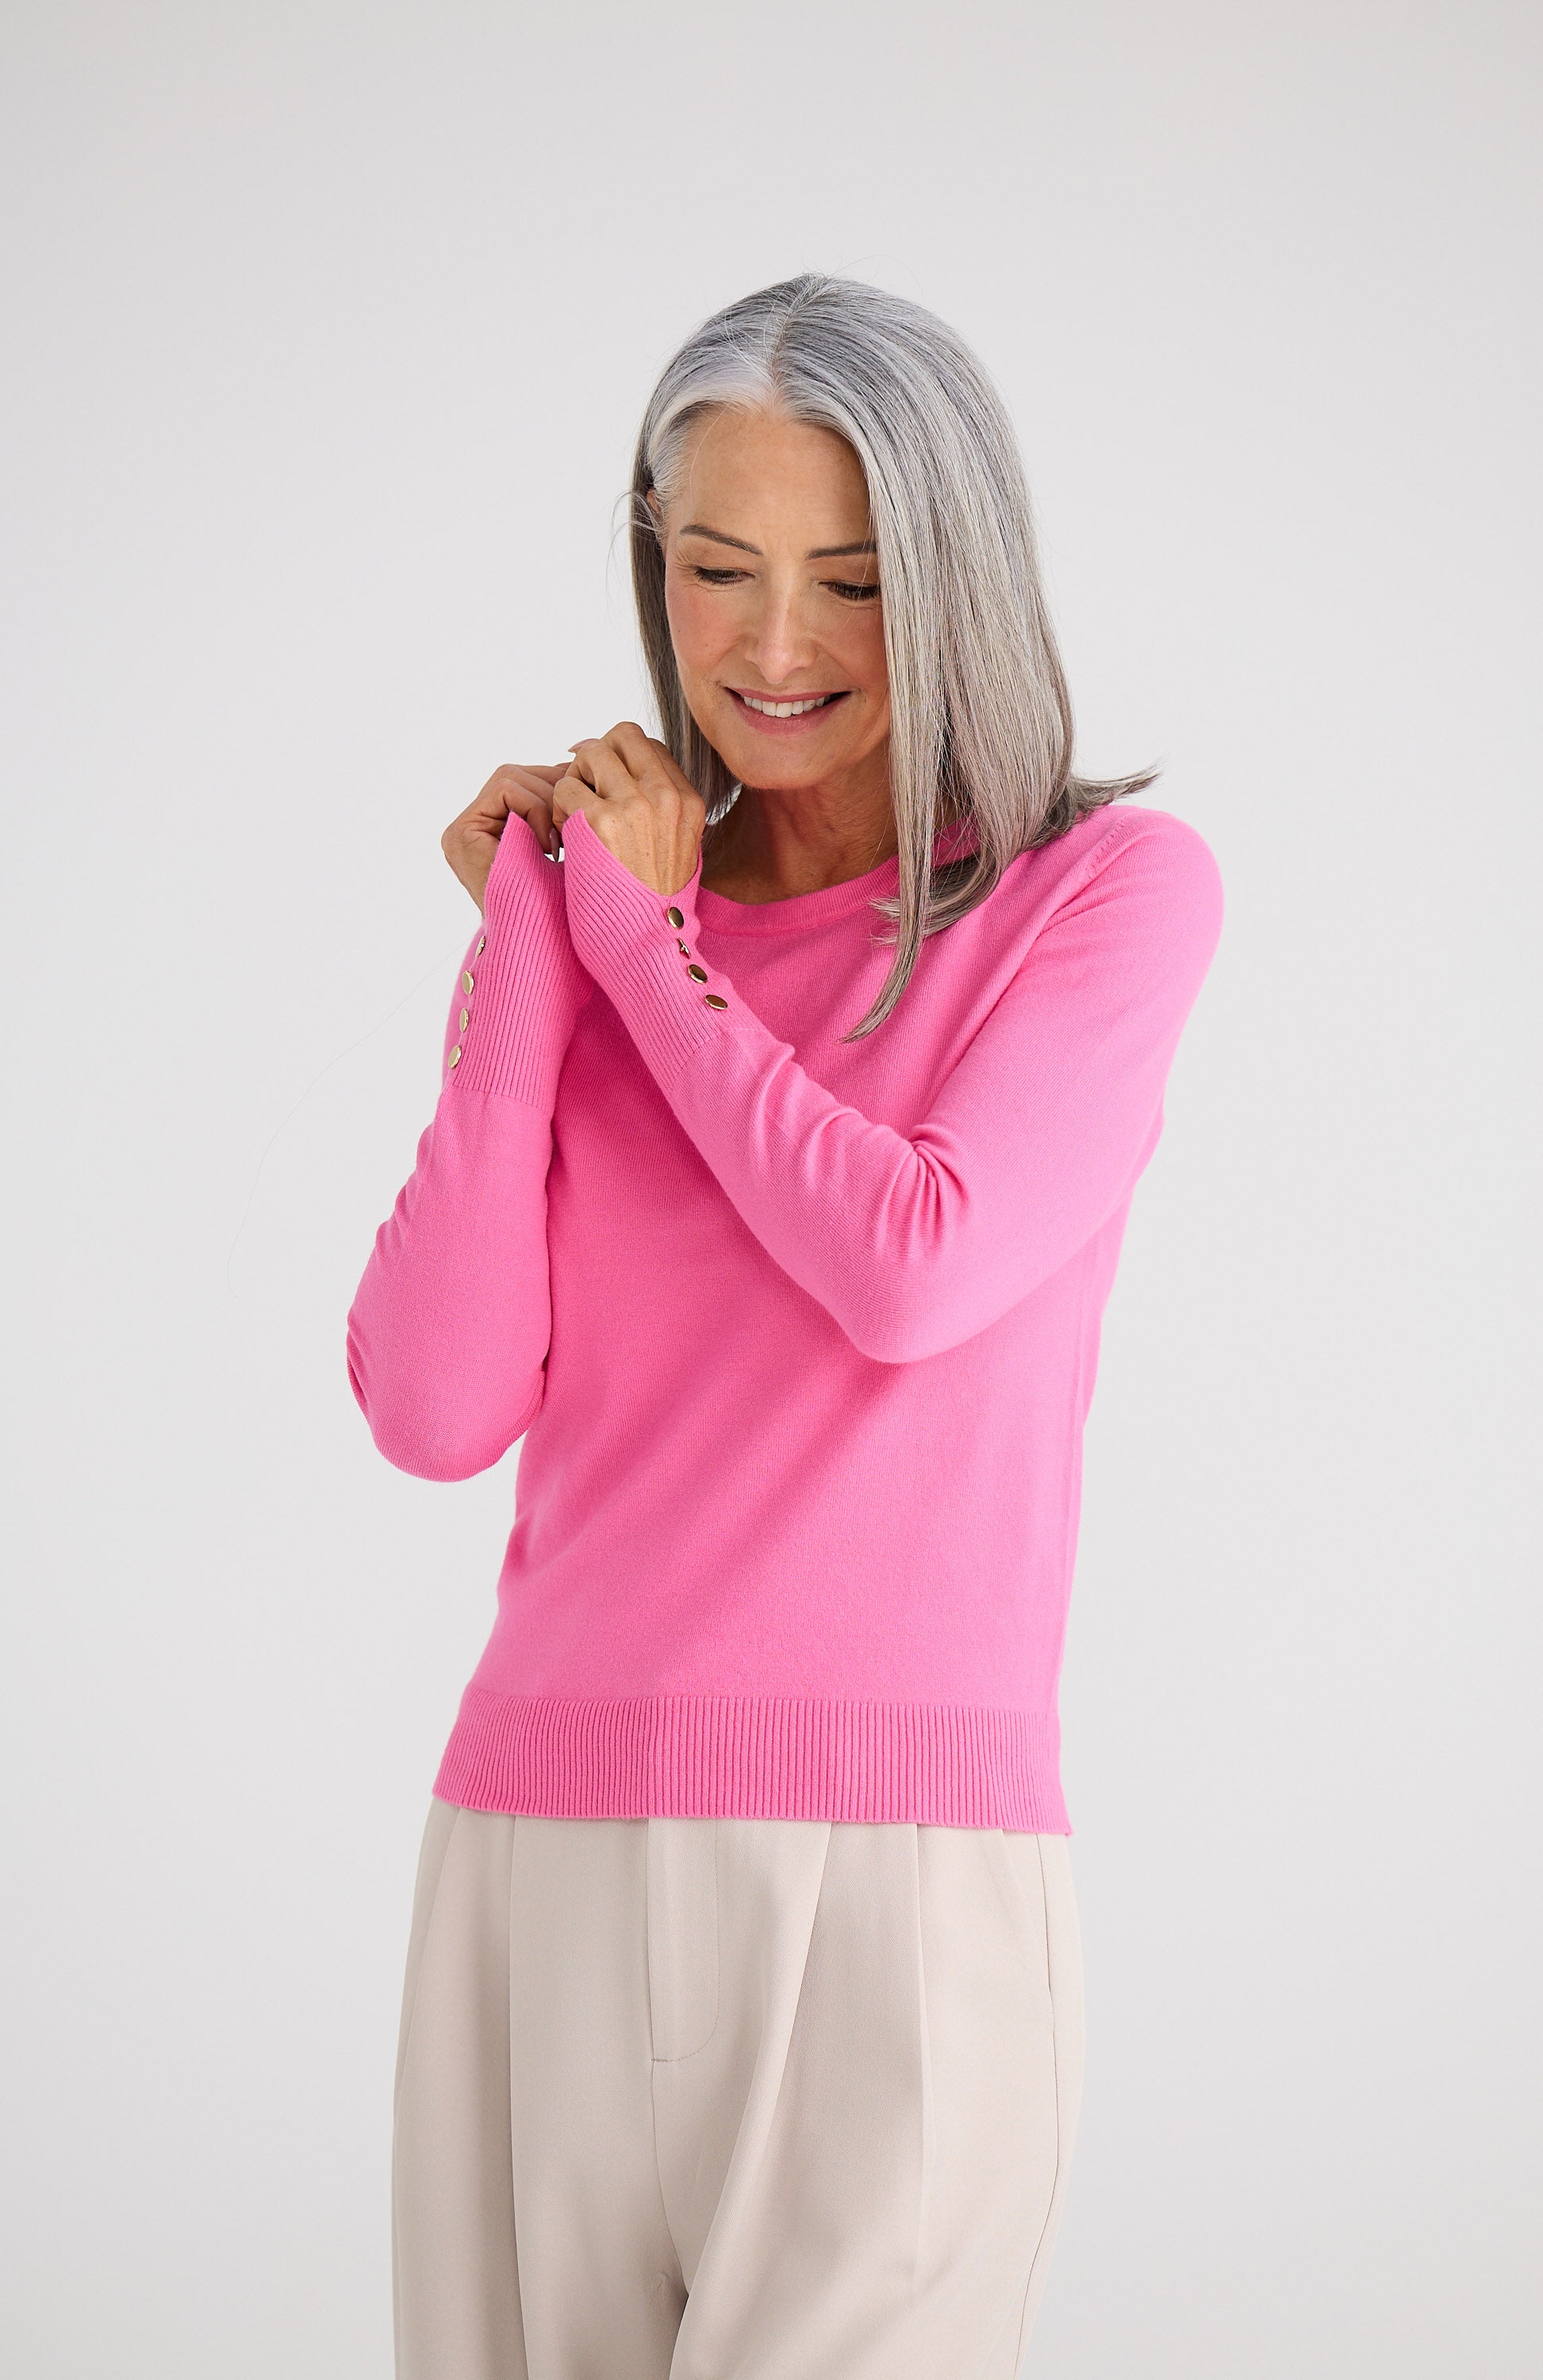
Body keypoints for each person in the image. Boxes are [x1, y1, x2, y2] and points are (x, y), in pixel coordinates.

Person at [345, 272, 1223, 2380]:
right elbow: (434, 1400)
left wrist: (646, 953)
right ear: (654, 563)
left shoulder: (1097, 900)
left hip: (898, 1876)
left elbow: (913, 1263)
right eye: (719, 569)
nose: (774, 647)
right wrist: (537, 965)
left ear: (958, 575)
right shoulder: (611, 913)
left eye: (851, 579)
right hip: (537, 1843)